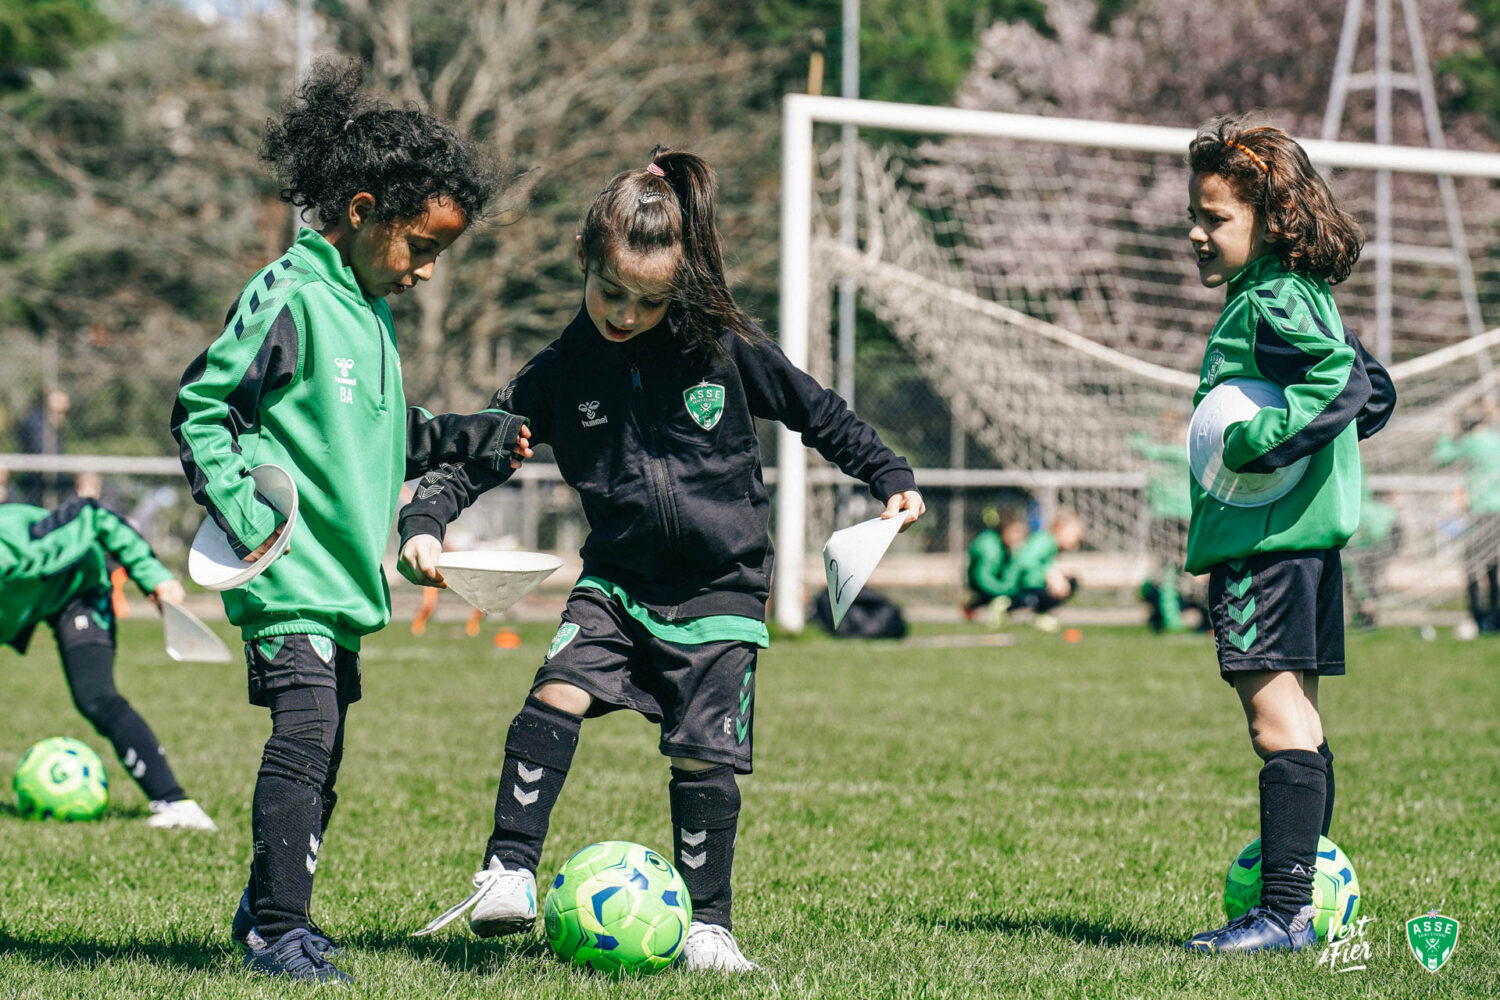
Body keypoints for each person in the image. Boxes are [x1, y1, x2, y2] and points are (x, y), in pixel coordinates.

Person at [400, 148, 924, 972]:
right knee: (557, 692)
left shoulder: (722, 349)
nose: (624, 313)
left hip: (723, 586)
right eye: (611, 291)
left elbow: (817, 411)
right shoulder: (559, 373)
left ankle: (708, 925)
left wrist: (889, 476)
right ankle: (507, 871)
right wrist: (424, 519)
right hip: (616, 581)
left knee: (702, 752)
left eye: (649, 300)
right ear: (585, 260)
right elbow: (477, 454)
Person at [169, 58, 530, 984]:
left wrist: (466, 439)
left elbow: (380, 437)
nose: (425, 269)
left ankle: (265, 906)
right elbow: (204, 409)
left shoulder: (369, 315)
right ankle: (279, 929)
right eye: (420, 245)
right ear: (363, 210)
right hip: (288, 574)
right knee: (304, 735)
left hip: (344, 588)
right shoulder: (290, 292)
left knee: (323, 751)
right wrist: (251, 518)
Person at [1180, 116, 1394, 954]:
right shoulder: (1301, 297)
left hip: (1265, 551)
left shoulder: (1268, 301)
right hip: (1304, 545)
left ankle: (1284, 915)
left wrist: (1253, 444)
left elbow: (1342, 383)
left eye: (1215, 218)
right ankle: (1302, 896)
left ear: (1271, 219)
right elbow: (1373, 390)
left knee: (1278, 726)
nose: (1197, 234)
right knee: (1300, 720)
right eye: (1194, 217)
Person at [0, 497, 216, 830]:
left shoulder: (24, 542)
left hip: (78, 591)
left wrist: (153, 576)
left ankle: (176, 804)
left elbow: (94, 514)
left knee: (96, 697)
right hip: (24, 601)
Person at [1130, 419, 1203, 633]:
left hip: (1181, 516)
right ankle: (1170, 616)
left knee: (1177, 568)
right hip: (1167, 517)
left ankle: (1154, 598)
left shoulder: (1159, 453)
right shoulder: (1182, 454)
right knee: (1169, 567)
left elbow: (1136, 444)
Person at [1434, 399, 1500, 633]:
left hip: (1481, 512)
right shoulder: (1496, 441)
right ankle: (1494, 618)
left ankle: (1478, 618)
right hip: (1497, 512)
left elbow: (1442, 458)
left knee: (1472, 566)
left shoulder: (1472, 443)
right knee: (1493, 567)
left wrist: (1446, 434)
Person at [1003, 509, 1084, 632]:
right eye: (1073, 535)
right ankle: (1009, 604)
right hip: (1016, 587)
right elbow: (1024, 561)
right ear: (1059, 529)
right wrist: (1049, 575)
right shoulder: (1045, 541)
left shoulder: (1051, 545)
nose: (1076, 542)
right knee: (1064, 583)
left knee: (1069, 579)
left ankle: (1040, 612)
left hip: (1027, 584)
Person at [962, 504, 1028, 626]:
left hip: (996, 582)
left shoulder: (1008, 546)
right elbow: (983, 578)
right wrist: (1005, 590)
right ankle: (976, 606)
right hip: (980, 583)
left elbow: (1012, 572)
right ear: (1004, 530)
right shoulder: (990, 548)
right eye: (1015, 532)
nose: (1019, 537)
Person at [14, 389, 70, 506]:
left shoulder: (52, 422)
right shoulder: (37, 421)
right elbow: (40, 449)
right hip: (36, 479)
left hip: (48, 478)